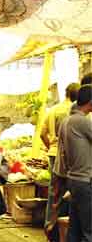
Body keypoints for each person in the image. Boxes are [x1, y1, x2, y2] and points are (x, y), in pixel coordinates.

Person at [58, 84, 92, 242]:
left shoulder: (67, 120)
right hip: (85, 181)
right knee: (91, 233)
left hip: (74, 180)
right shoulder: (82, 121)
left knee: (75, 231)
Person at [41, 83, 81, 227]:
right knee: (71, 191)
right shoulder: (76, 113)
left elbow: (42, 133)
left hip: (53, 153)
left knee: (54, 192)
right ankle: (66, 228)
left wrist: (50, 147)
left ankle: (50, 226)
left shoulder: (53, 110)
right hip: (70, 155)